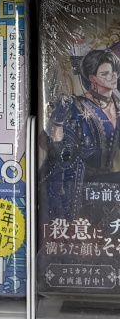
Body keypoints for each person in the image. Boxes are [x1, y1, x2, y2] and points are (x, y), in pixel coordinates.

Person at [42, 49, 120, 223]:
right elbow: (62, 155)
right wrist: (58, 124)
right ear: (92, 78)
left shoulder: (118, 105)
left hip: (108, 183)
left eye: (114, 72)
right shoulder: (75, 107)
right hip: (78, 182)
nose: (113, 76)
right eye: (105, 74)